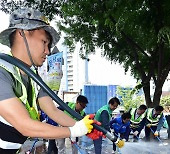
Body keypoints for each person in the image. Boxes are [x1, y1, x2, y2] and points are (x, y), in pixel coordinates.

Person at [0, 8, 101, 153]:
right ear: (22, 33)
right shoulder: (2, 71)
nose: (47, 51)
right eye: (44, 42)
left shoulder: (33, 77)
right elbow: (24, 125)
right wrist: (73, 131)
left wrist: (84, 126)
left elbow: (52, 110)